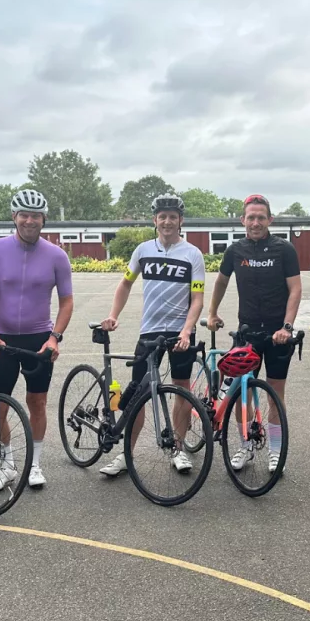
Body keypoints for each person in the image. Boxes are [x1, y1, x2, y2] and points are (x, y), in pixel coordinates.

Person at [99, 193, 205, 477]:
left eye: (173, 216)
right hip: (150, 331)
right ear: (155, 220)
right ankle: (126, 454)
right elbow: (125, 284)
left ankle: (179, 449)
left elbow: (197, 298)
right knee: (137, 395)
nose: (167, 221)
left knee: (182, 391)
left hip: (181, 333)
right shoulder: (143, 251)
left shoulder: (193, 254)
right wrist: (113, 315)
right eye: (162, 217)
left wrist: (187, 330)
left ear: (181, 221)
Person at [0, 188, 74, 490]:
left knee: (38, 402)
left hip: (38, 340)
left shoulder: (57, 256)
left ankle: (35, 465)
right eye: (24, 215)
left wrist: (55, 338)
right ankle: (7, 464)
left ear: (44, 219)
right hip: (2, 339)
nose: (30, 221)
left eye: (36, 216)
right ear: (14, 217)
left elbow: (67, 301)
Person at [207, 193, 302, 473]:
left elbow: (295, 289)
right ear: (243, 220)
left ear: (270, 220)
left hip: (277, 335)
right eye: (251, 217)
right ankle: (245, 446)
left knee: (275, 392)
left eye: (261, 217)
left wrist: (287, 326)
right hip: (247, 331)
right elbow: (221, 282)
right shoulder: (235, 250)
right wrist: (212, 312)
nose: (256, 222)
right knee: (241, 392)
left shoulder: (284, 249)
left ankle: (275, 451)